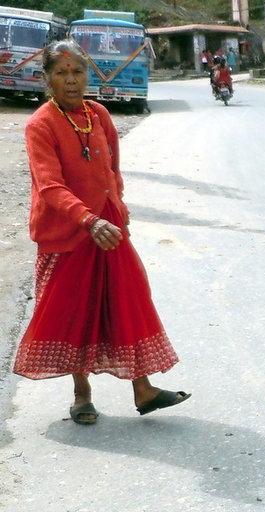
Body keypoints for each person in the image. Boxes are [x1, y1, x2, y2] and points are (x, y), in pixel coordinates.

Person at [14, 40, 191, 424]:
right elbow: (50, 186)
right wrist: (88, 220)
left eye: (77, 72)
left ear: (88, 75)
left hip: (108, 226)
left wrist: (118, 208)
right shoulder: (40, 124)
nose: (71, 80)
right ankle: (82, 394)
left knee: (126, 299)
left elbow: (112, 169)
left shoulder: (99, 115)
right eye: (61, 74)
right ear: (47, 79)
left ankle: (143, 390)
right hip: (69, 231)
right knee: (75, 312)